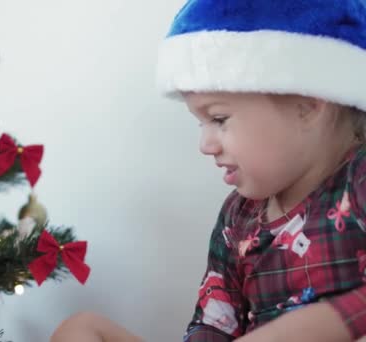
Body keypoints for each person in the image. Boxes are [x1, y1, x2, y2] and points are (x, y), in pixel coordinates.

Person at [51, 0, 366, 341]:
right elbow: (215, 321)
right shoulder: (237, 216)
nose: (206, 144)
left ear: (307, 105)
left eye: (218, 119)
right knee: (81, 328)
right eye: (200, 123)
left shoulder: (358, 179)